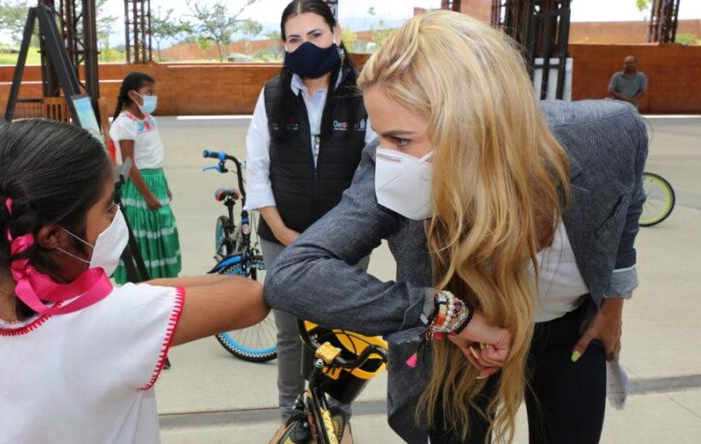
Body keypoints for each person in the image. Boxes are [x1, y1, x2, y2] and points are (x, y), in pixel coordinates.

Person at [265, 11, 647, 444]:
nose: (386, 156)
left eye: (402, 139)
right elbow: (293, 275)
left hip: (571, 330)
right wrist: (448, 316)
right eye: (381, 136)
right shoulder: (387, 168)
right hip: (465, 341)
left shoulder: (608, 134)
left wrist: (614, 300)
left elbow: (626, 199)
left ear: (476, 126)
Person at [0, 119, 268, 443]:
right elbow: (249, 296)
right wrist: (127, 295)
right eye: (108, 207)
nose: (116, 216)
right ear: (53, 237)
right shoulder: (114, 319)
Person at [244, 0, 377, 438]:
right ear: (283, 44)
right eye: (294, 39)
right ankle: (293, 418)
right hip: (283, 236)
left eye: (315, 35)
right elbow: (257, 167)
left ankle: (336, 418)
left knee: (342, 331)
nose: (305, 47)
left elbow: (376, 170)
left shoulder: (366, 94)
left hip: (348, 241)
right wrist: (281, 230)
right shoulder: (272, 94)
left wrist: (345, 233)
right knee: (288, 334)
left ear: (336, 35)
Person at [109, 72, 181, 282]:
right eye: (148, 93)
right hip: (141, 186)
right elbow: (129, 165)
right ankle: (145, 280)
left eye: (153, 92)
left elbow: (154, 156)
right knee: (145, 234)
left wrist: (164, 184)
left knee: (163, 230)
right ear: (132, 95)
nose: (153, 97)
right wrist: (148, 195)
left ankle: (162, 278)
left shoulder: (149, 119)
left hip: (156, 180)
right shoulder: (125, 124)